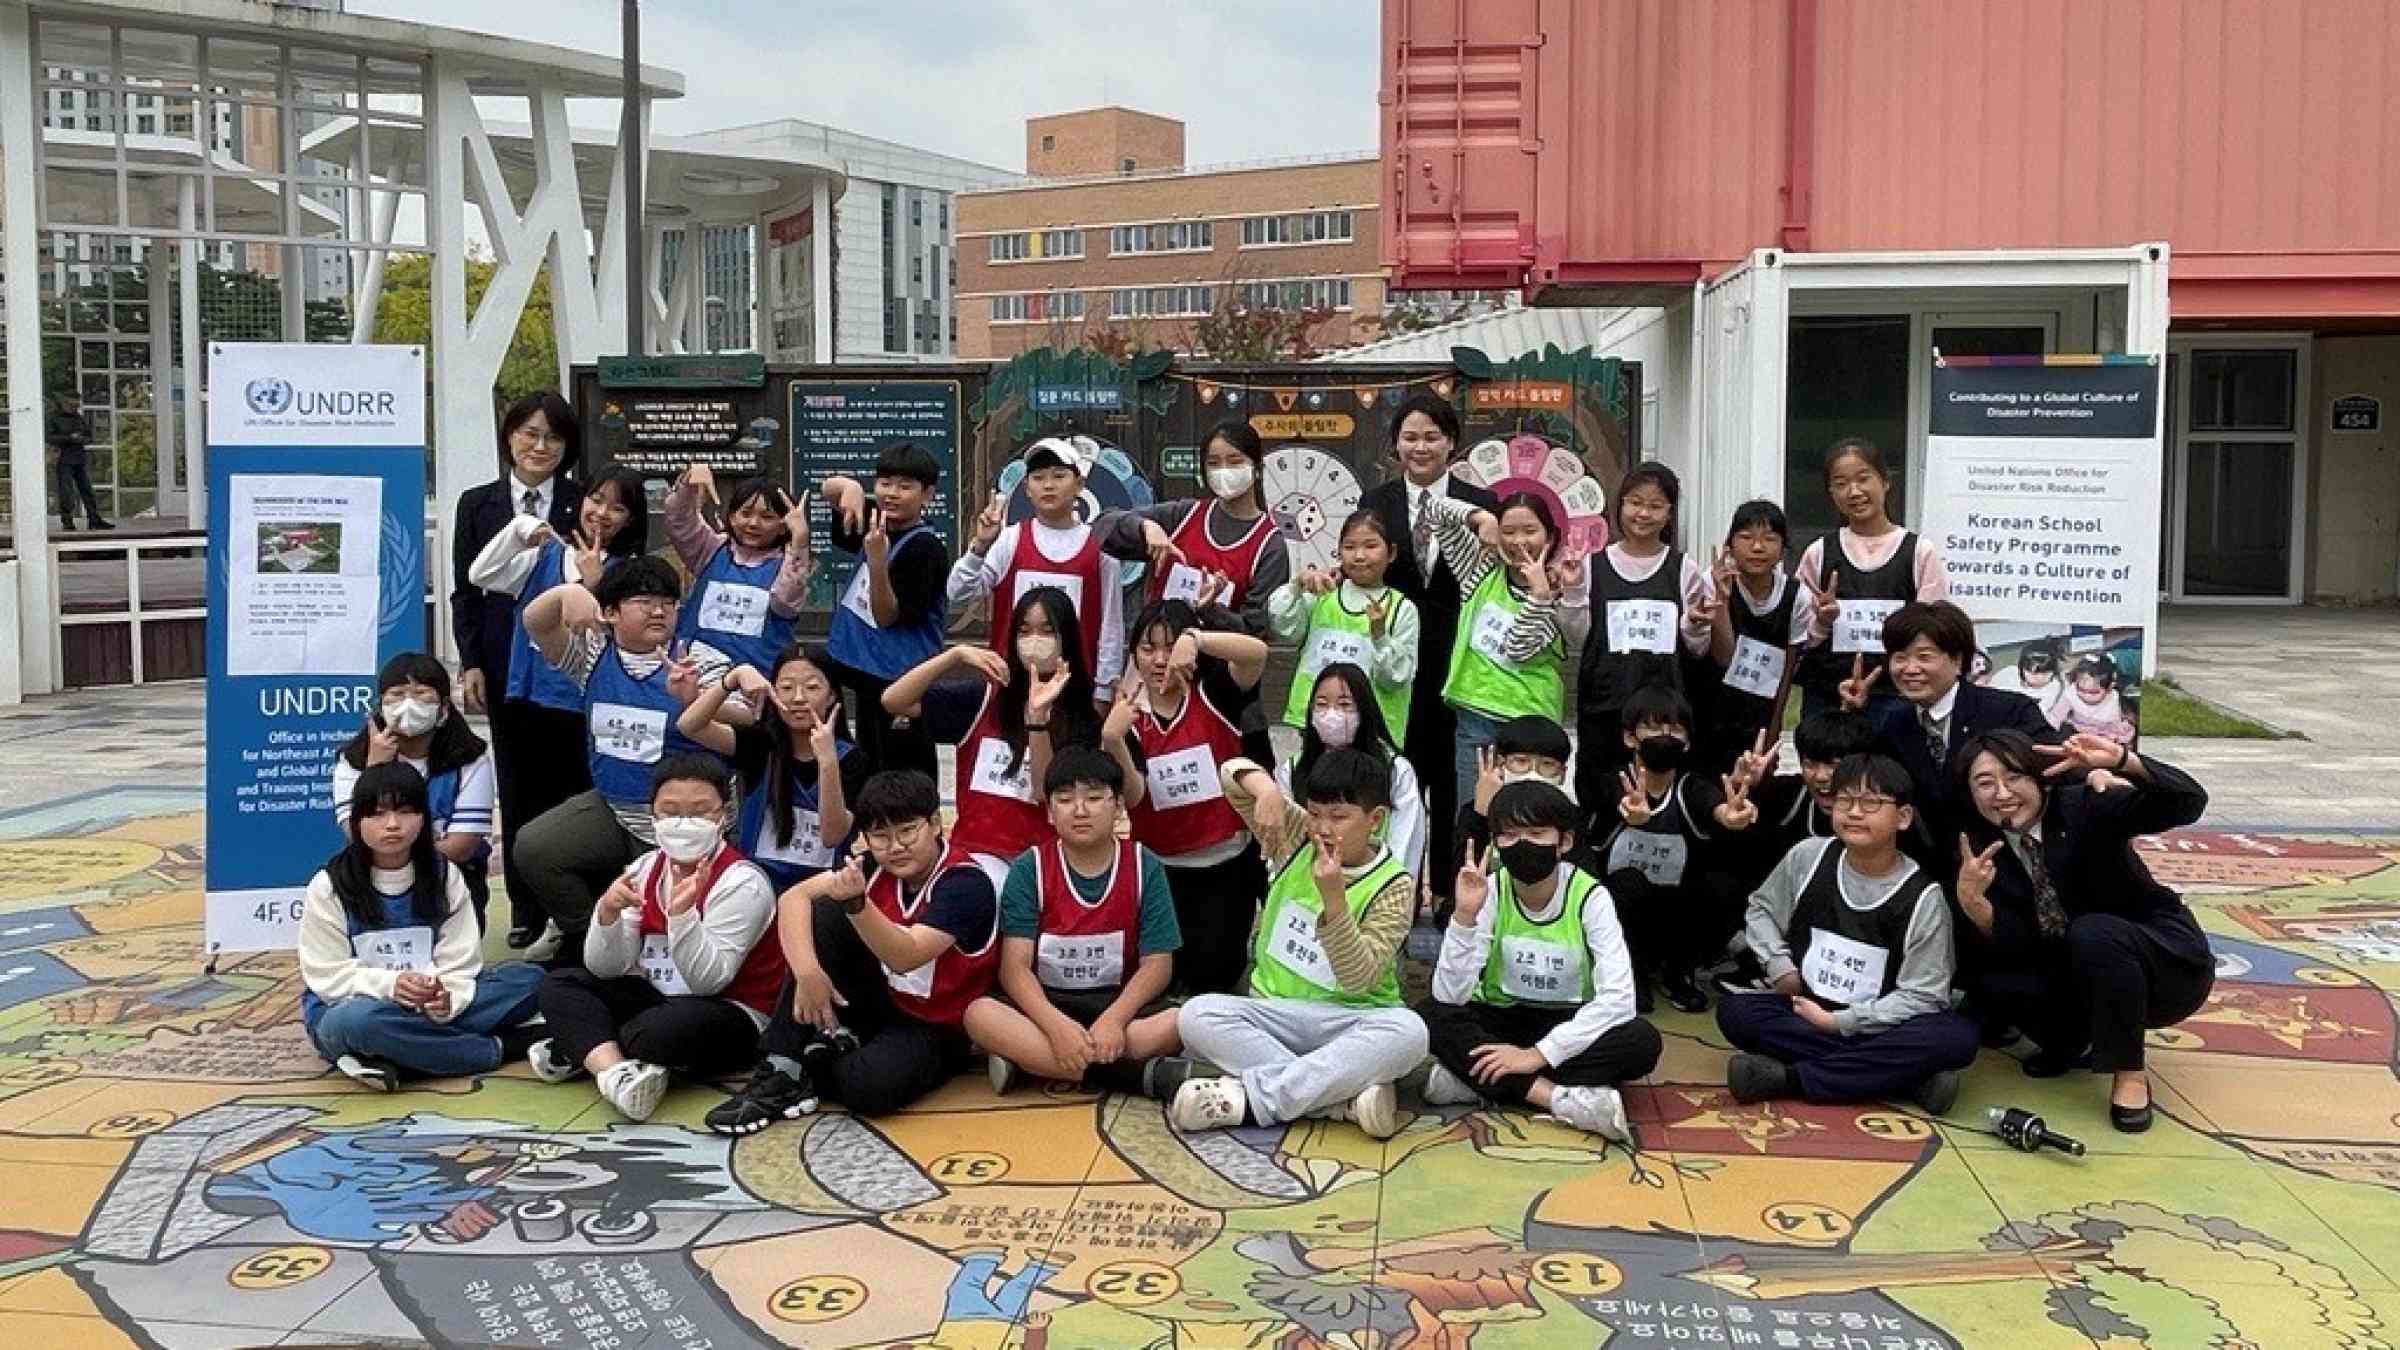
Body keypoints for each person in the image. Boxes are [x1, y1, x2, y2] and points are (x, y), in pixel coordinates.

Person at [705, 772, 1004, 1133]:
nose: (896, 846)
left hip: (935, 1023)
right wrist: (808, 973)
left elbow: (907, 955)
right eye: (881, 836)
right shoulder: (871, 867)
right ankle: (782, 1066)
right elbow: (793, 898)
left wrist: (858, 906)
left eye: (908, 831)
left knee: (868, 1090)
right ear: (866, 838)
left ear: (936, 824)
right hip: (879, 998)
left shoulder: (965, 884)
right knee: (825, 912)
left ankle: (819, 1059)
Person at [1952, 731, 2214, 1132]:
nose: (2002, 793)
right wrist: (1978, 908)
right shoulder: (1979, 847)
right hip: (2075, 970)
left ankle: (2129, 1072)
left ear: (2040, 777)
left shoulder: (2086, 806)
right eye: (1984, 783)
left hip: (2162, 963)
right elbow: (2019, 945)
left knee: (2093, 932)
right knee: (1994, 979)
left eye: (2015, 776)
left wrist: (2123, 761)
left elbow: (2188, 802)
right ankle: (2073, 1041)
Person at [1170, 748, 1428, 1141]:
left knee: (1410, 1032)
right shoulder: (1297, 837)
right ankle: (1339, 1099)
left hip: (1350, 1021)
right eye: (1315, 813)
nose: (1323, 828)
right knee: (1196, 1015)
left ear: (1375, 819)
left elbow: (1358, 978)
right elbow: (1229, 775)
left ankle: (1255, 1099)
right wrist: (1268, 791)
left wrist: (1335, 901)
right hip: (1275, 1013)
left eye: (1339, 817)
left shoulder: (1395, 884)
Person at [526, 755, 786, 1121]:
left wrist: (682, 916)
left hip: (731, 1009)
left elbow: (709, 981)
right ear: (653, 815)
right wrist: (607, 914)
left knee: (653, 1034)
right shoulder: (645, 868)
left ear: (724, 815)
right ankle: (616, 1072)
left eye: (700, 812)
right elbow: (606, 967)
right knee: (561, 984)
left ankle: (584, 1047)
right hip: (656, 993)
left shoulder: (742, 882)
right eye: (671, 811)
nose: (684, 823)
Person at [1717, 753, 1978, 1112]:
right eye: (1845, 801)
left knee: (1956, 1038)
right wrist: (1780, 966)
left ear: (1903, 818)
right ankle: (1909, 1078)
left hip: (1883, 1023)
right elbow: (1761, 909)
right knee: (1735, 1012)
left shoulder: (1924, 897)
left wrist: (1840, 1022)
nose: (1854, 812)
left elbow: (1924, 994)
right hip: (1805, 1008)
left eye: (1871, 803)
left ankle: (1789, 1079)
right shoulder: (1808, 856)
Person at [465, 464, 650, 947]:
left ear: (631, 518)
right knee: (525, 802)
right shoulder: (546, 553)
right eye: (596, 499)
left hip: (583, 708)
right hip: (528, 696)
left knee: (576, 809)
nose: (602, 513)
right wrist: (521, 531)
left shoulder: (628, 573)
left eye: (618, 506)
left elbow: (610, 638)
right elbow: (480, 573)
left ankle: (582, 920)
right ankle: (527, 910)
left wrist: (592, 583)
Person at [1417, 781, 1659, 1143]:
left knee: (1642, 1042)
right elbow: (1451, 994)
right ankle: (1560, 1099)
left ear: (1564, 842)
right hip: (1503, 1019)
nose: (1523, 845)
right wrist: (1464, 917)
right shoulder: (1491, 890)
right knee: (1431, 1015)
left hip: (1569, 1022)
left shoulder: (1591, 897)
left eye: (1536, 833)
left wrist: (1535, 1055)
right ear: (1496, 842)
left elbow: (1619, 999)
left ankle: (1476, 1080)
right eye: (1510, 835)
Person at [512, 555, 729, 952]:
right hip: (613, 807)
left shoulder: (700, 661)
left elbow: (742, 732)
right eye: (644, 601)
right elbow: (535, 621)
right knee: (535, 847)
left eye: (668, 602)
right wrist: (568, 592)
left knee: (668, 915)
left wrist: (696, 698)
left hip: (683, 820)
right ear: (610, 612)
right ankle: (586, 934)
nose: (659, 610)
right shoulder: (594, 656)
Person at [300, 763, 545, 1090]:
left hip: (431, 1000)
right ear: (357, 822)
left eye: (404, 812)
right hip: (357, 1006)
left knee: (532, 980)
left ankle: (396, 1057)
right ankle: (496, 1048)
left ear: (423, 818)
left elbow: (460, 960)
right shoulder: (329, 885)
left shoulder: (444, 875)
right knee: (356, 1024)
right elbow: (326, 973)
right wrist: (393, 984)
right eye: (376, 814)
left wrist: (446, 997)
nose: (392, 825)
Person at [968, 747, 1192, 1098]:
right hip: (1046, 1005)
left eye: (1094, 797)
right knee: (979, 1014)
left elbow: (1158, 964)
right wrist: (1056, 1028)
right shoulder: (1031, 868)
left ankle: (1031, 1061)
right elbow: (1015, 968)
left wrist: (1115, 1020)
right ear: (1050, 812)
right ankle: (1133, 1076)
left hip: (1119, 1004)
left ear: (1118, 805)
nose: (1081, 810)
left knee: (1182, 1022)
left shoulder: (1144, 864)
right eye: (1065, 799)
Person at [881, 587, 1139, 874]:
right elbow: (894, 700)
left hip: (1040, 863)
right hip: (974, 856)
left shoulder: (1084, 719)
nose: (1034, 641)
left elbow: (1044, 791)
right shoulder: (984, 698)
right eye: (1024, 631)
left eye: (1046, 631)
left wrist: (1037, 720)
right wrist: (954, 656)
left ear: (1065, 639)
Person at [1360, 395, 1500, 910]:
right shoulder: (1376, 503)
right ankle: (1391, 898)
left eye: (1432, 436)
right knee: (1397, 788)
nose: (1421, 447)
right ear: (1396, 443)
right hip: (1393, 671)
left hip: (1459, 667)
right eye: (1410, 437)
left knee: (1454, 789)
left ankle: (1448, 895)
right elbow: (1361, 570)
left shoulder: (1480, 504)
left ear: (1452, 443)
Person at [1839, 601, 2062, 878]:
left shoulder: (2008, 710)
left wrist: (2104, 771)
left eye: (1924, 656)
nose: (1910, 669)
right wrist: (1851, 714)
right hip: (1931, 871)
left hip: (2009, 868)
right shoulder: (1893, 724)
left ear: (1957, 660)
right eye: (1900, 657)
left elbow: (2056, 763)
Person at [1120, 600, 1271, 996]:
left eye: (1168, 647)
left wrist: (1197, 638)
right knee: (1164, 978)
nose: (1158, 659)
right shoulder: (1128, 716)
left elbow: (1257, 653)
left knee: (1215, 976)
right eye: (1147, 648)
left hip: (1224, 863)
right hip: (1161, 868)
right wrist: (1111, 739)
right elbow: (1133, 797)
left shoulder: (1215, 693)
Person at [1596, 686, 1757, 1014]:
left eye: (1675, 729)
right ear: (1630, 737)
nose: (1664, 736)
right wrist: (1630, 811)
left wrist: (1731, 815)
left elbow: (1716, 807)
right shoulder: (1612, 780)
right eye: (1653, 728)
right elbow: (1618, 800)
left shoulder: (1691, 787)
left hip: (1674, 910)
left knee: (1718, 887)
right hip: (1618, 908)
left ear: (1687, 742)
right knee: (1627, 884)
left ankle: (1678, 972)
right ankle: (1631, 974)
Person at [1432, 490, 1588, 824]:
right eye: (1509, 530)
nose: (1519, 541)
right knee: (1475, 815)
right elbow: (1434, 510)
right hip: (1475, 717)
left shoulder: (1560, 590)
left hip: (1531, 724)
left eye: (1530, 531)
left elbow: (1517, 648)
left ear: (1550, 535)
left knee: (1525, 821)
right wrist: (1481, 519)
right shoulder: (1480, 571)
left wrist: (1540, 595)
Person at [1573, 464, 1713, 828]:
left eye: (1656, 505)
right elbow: (1578, 638)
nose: (1644, 514)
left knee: (1662, 805)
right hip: (1605, 707)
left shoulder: (1684, 570)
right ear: (1620, 506)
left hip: (1662, 719)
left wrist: (1695, 625)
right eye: (1635, 503)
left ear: (1669, 513)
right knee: (1601, 799)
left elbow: (1696, 649)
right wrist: (1572, 592)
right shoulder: (1592, 565)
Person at [676, 641, 868, 896]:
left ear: (832, 695)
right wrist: (732, 679)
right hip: (755, 887)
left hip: (822, 891)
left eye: (812, 687)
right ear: (772, 691)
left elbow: (833, 836)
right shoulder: (761, 745)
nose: (798, 698)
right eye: (786, 688)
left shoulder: (852, 759)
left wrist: (828, 763)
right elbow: (689, 726)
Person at [951, 437, 1133, 693]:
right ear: (1026, 488)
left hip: (1075, 690)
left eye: (1059, 476)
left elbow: (1111, 626)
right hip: (1010, 689)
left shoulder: (1101, 547)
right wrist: (979, 546)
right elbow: (959, 593)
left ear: (1079, 484)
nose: (1048, 485)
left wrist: (1103, 691)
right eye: (1038, 478)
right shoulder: (1010, 539)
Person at [332, 653, 497, 927]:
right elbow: (356, 834)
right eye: (397, 695)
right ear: (380, 705)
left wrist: (399, 858)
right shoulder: (353, 761)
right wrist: (375, 771)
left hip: (448, 877)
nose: (408, 705)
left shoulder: (471, 760)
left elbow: (461, 846)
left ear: (444, 708)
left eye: (422, 695)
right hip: (374, 878)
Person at [819, 443, 951, 784]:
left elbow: (887, 617)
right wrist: (846, 487)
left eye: (905, 486)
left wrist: (877, 562)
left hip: (897, 681)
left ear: (927, 494)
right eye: (884, 483)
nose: (891, 494)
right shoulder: (876, 521)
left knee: (901, 769)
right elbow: (827, 489)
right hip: (861, 669)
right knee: (867, 761)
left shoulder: (925, 549)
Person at [1793, 437, 1950, 722]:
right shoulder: (1818, 553)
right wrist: (1822, 622)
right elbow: (1797, 638)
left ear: (1885, 481)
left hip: (1898, 702)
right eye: (1841, 483)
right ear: (1831, 492)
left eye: (1863, 478)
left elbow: (1934, 631)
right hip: (1828, 701)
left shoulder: (1919, 552)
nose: (1854, 491)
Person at [451, 391, 585, 721]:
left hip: (565, 659)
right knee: (512, 765)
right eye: (530, 434)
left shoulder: (584, 502)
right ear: (510, 435)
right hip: (500, 655)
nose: (540, 447)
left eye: (553, 437)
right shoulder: (475, 503)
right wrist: (472, 664)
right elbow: (465, 594)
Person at [1268, 508, 1419, 747]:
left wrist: (1380, 635)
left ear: (1391, 553)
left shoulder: (1402, 608)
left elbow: (1396, 677)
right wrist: (1297, 586)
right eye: (1349, 547)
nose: (1359, 556)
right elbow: (1283, 625)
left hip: (1372, 733)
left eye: (1371, 546)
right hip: (1313, 723)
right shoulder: (1323, 594)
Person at [1276, 663, 1428, 880]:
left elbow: (1406, 844)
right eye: (1321, 704)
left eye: (1344, 704)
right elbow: (1284, 844)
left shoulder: (1395, 771)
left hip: (1372, 889)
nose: (1331, 714)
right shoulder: (1292, 770)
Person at [665, 466, 814, 676]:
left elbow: (784, 603)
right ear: (732, 517)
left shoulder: (789, 564)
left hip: (754, 680)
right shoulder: (712, 549)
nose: (753, 523)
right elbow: (679, 522)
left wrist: (799, 541)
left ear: (783, 526)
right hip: (693, 671)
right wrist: (687, 485)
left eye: (767, 516)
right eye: (745, 513)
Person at [1697, 499, 1810, 775]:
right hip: (1710, 711)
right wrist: (1722, 600)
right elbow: (1722, 657)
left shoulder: (1797, 596)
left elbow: (1786, 672)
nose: (1757, 548)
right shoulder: (1710, 582)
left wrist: (1774, 732)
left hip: (1759, 717)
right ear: (1730, 545)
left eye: (1769, 539)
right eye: (1746, 538)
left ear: (1783, 549)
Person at [1453, 714, 1581, 882]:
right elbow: (1459, 877)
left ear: (1563, 773)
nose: (1532, 773)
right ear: (1500, 764)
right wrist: (1480, 814)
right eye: (1521, 762)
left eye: (1547, 764)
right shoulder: (1475, 810)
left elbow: (1582, 876)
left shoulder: (1572, 817)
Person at [47, 393, 109, 531]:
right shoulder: (55, 418)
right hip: (63, 459)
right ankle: (67, 521)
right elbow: (50, 437)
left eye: (77, 406)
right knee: (66, 492)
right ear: (64, 403)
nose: (75, 408)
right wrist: (69, 438)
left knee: (87, 490)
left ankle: (94, 519)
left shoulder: (79, 418)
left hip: (79, 458)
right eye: (72, 405)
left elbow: (89, 436)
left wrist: (81, 439)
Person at [2058, 655, 2137, 743]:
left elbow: (2120, 725)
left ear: (2109, 688)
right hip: (2077, 729)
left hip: (2105, 733)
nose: (2086, 696)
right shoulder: (2071, 692)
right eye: (2081, 689)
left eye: (2093, 692)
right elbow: (2057, 716)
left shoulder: (2113, 700)